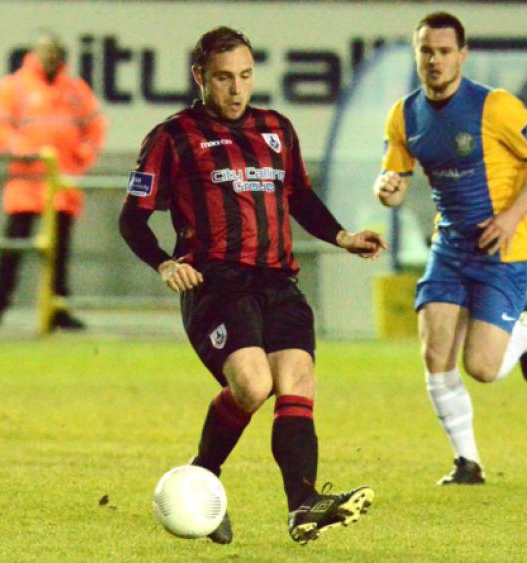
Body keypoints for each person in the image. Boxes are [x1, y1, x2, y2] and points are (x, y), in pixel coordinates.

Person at [119, 26, 382, 545]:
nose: (236, 90)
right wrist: (163, 263)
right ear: (200, 77)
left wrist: (343, 237)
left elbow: (300, 198)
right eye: (222, 78)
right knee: (253, 385)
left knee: (297, 379)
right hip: (216, 283)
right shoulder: (172, 136)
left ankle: (303, 505)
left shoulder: (276, 129)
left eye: (244, 76)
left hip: (278, 280)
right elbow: (133, 218)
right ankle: (203, 474)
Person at [374, 12, 527, 485]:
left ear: (462, 54)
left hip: (505, 246)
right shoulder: (404, 114)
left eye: (443, 51)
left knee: (481, 367)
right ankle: (467, 462)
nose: (434, 60)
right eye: (426, 51)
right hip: (451, 247)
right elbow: (396, 183)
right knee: (435, 353)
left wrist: (511, 216)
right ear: (416, 53)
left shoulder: (495, 107)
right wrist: (387, 191)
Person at [0, 32, 107, 329]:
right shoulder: (15, 88)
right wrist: (20, 148)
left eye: (56, 53)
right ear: (35, 54)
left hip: (61, 184)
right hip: (27, 183)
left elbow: (95, 127)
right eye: (47, 52)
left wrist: (84, 154)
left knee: (59, 253)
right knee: (15, 246)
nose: (52, 59)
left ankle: (57, 309)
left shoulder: (75, 90)